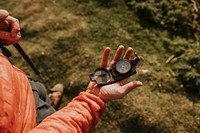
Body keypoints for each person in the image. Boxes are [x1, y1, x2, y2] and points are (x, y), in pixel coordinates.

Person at [0, 9, 143, 133]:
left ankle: (49, 101)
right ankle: (50, 109)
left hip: (18, 81)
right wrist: (90, 102)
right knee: (49, 114)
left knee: (39, 89)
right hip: (30, 124)